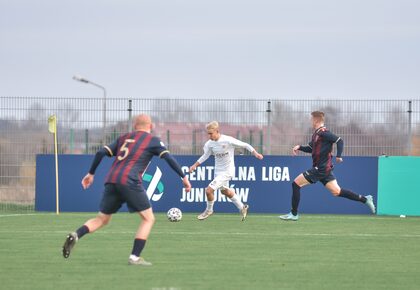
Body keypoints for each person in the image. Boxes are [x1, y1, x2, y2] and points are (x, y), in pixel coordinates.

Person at [62, 114, 191, 265]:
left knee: (101, 219)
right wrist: (184, 177)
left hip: (111, 180)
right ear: (151, 126)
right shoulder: (152, 141)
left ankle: (76, 234)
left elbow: (100, 152)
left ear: (135, 126)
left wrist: (91, 174)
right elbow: (168, 158)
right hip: (130, 181)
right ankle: (134, 257)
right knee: (148, 219)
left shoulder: (124, 138)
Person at [279, 111, 376, 221]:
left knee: (296, 184)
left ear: (316, 120)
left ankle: (294, 213)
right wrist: (299, 147)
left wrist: (339, 156)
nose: (310, 121)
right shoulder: (316, 134)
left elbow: (339, 141)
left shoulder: (323, 133)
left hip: (320, 168)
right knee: (337, 191)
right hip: (325, 169)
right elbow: (311, 149)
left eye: (311, 119)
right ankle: (365, 199)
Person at [189, 121, 263, 221]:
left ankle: (209, 210)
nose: (209, 136)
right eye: (208, 134)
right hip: (218, 172)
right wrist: (194, 165)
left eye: (211, 133)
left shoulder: (227, 140)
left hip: (228, 171)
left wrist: (255, 153)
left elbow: (245, 145)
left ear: (217, 131)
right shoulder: (209, 144)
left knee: (208, 190)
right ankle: (242, 207)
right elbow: (205, 156)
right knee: (225, 192)